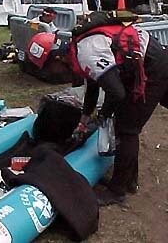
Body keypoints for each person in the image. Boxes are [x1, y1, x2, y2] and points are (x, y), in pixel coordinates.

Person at [70, 11, 168, 206]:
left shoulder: (87, 51)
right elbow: (93, 85)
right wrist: (84, 121)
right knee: (124, 122)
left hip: (153, 65)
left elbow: (117, 93)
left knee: (127, 128)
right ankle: (129, 180)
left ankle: (117, 190)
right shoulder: (81, 46)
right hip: (145, 59)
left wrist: (104, 115)